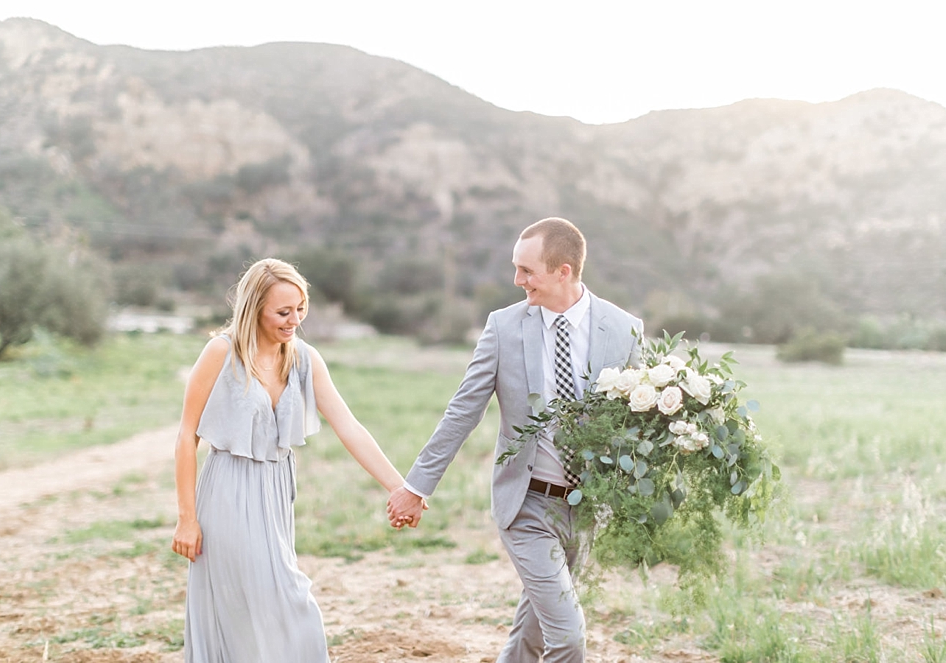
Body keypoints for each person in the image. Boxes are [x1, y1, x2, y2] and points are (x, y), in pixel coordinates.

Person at [387, 217, 643, 662]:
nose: (517, 280)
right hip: (526, 504)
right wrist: (416, 486)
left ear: (563, 271)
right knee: (567, 637)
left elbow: (640, 423)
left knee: (533, 633)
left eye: (527, 271)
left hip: (587, 508)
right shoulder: (504, 327)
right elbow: (463, 411)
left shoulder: (624, 329)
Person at [171, 258, 416, 662]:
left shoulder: (304, 358)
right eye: (283, 312)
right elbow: (185, 436)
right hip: (227, 490)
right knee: (279, 600)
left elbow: (348, 425)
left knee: (263, 605)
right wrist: (186, 517)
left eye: (301, 308)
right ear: (255, 309)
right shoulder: (220, 352)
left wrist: (398, 486)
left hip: (276, 492)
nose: (295, 320)